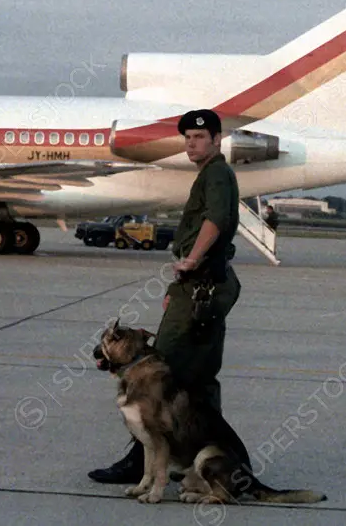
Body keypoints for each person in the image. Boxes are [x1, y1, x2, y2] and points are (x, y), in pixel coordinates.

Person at [88, 108, 251, 484]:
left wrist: (191, 260)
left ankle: (140, 461)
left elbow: (215, 220)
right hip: (205, 286)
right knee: (200, 379)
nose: (192, 143)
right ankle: (211, 462)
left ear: (215, 140)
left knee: (156, 375)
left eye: (199, 137)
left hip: (200, 285)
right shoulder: (215, 173)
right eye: (188, 138)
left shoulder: (216, 174)